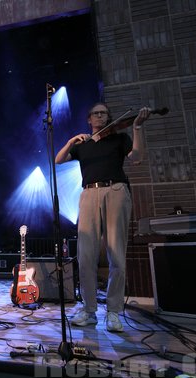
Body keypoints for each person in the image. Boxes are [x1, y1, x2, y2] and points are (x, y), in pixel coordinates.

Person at [55, 103, 150, 332]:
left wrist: (137, 127)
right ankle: (89, 311)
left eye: (104, 113)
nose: (100, 116)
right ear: (89, 118)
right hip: (88, 193)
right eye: (95, 113)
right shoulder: (83, 144)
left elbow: (137, 157)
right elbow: (58, 160)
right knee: (85, 256)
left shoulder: (119, 138)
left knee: (116, 252)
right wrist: (70, 141)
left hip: (115, 191)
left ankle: (114, 312)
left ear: (109, 117)